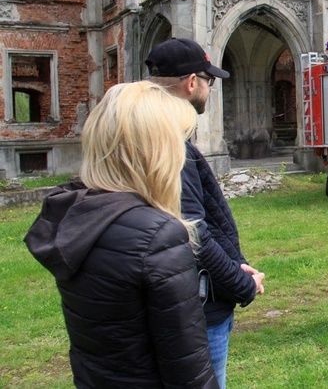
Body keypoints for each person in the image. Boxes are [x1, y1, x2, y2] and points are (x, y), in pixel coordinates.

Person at [24, 82, 218, 387]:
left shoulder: (77, 215)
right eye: (178, 142)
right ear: (156, 151)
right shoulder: (157, 236)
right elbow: (188, 371)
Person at [146, 38, 264, 387]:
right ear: (192, 82)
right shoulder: (170, 145)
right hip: (198, 305)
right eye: (209, 81)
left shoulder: (147, 137)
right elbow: (192, 232)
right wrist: (241, 283)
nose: (210, 89)